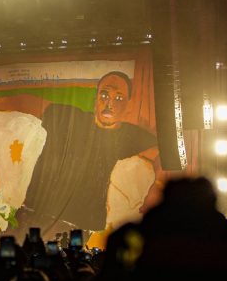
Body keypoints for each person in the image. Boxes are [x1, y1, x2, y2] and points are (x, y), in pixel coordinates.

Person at [19, 71, 157, 235]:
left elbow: (162, 152)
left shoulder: (131, 136)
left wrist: (155, 185)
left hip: (80, 226)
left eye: (119, 98)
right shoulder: (70, 118)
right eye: (104, 95)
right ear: (96, 98)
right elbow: (29, 102)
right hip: (33, 213)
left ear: (129, 105)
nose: (109, 103)